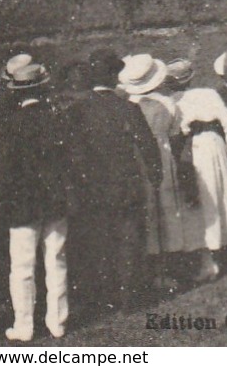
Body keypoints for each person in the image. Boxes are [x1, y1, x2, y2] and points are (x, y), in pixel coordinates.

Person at [60, 49, 160, 319]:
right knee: (128, 239)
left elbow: (70, 152)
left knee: (97, 240)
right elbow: (149, 148)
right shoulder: (128, 108)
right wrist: (155, 176)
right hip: (126, 184)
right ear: (116, 76)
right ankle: (128, 297)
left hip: (90, 186)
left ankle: (102, 296)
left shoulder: (77, 111)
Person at [0, 58, 71, 342]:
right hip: (54, 200)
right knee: (56, 259)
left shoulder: (10, 125)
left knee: (23, 267)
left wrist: (3, 201)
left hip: (23, 204)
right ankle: (57, 321)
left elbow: (3, 171)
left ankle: (24, 325)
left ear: (16, 90)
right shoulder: (57, 118)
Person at [118, 55, 194, 285]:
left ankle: (149, 268)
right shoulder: (168, 103)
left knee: (146, 209)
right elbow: (175, 134)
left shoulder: (127, 105)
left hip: (137, 156)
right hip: (162, 153)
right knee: (167, 208)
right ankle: (167, 265)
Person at [166, 60, 227, 282]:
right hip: (215, 145)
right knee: (218, 196)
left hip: (194, 149)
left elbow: (176, 135)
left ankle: (208, 260)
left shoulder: (172, 101)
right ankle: (218, 253)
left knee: (199, 199)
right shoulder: (209, 93)